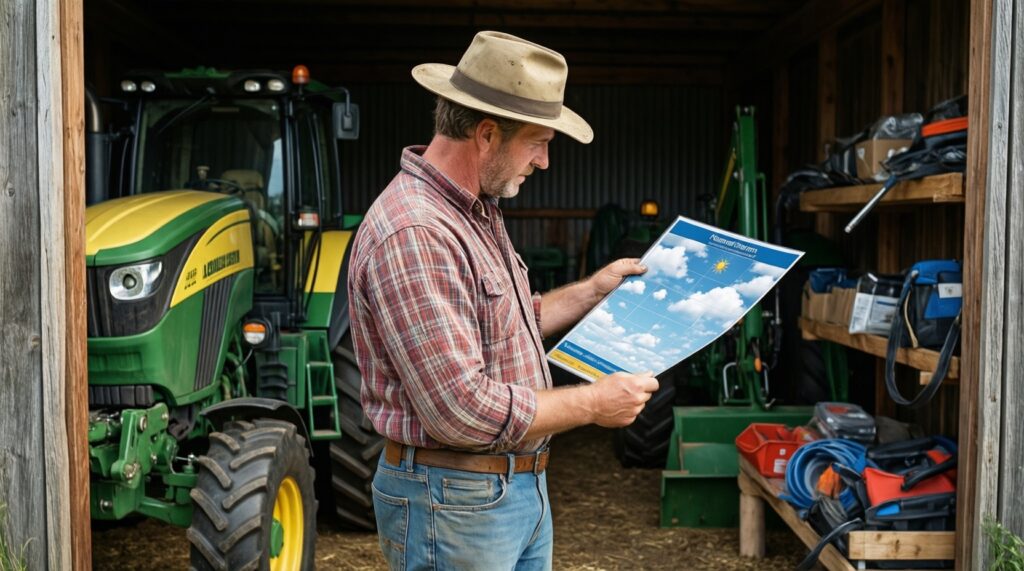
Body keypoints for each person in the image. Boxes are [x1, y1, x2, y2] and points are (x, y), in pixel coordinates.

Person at [348, 31, 660, 570]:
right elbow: (460, 410)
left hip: (503, 491)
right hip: (453, 499)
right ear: (487, 134)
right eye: (538, 142)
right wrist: (591, 404)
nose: (543, 161)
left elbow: (505, 324)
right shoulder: (417, 230)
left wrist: (591, 291)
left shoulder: (473, 210)